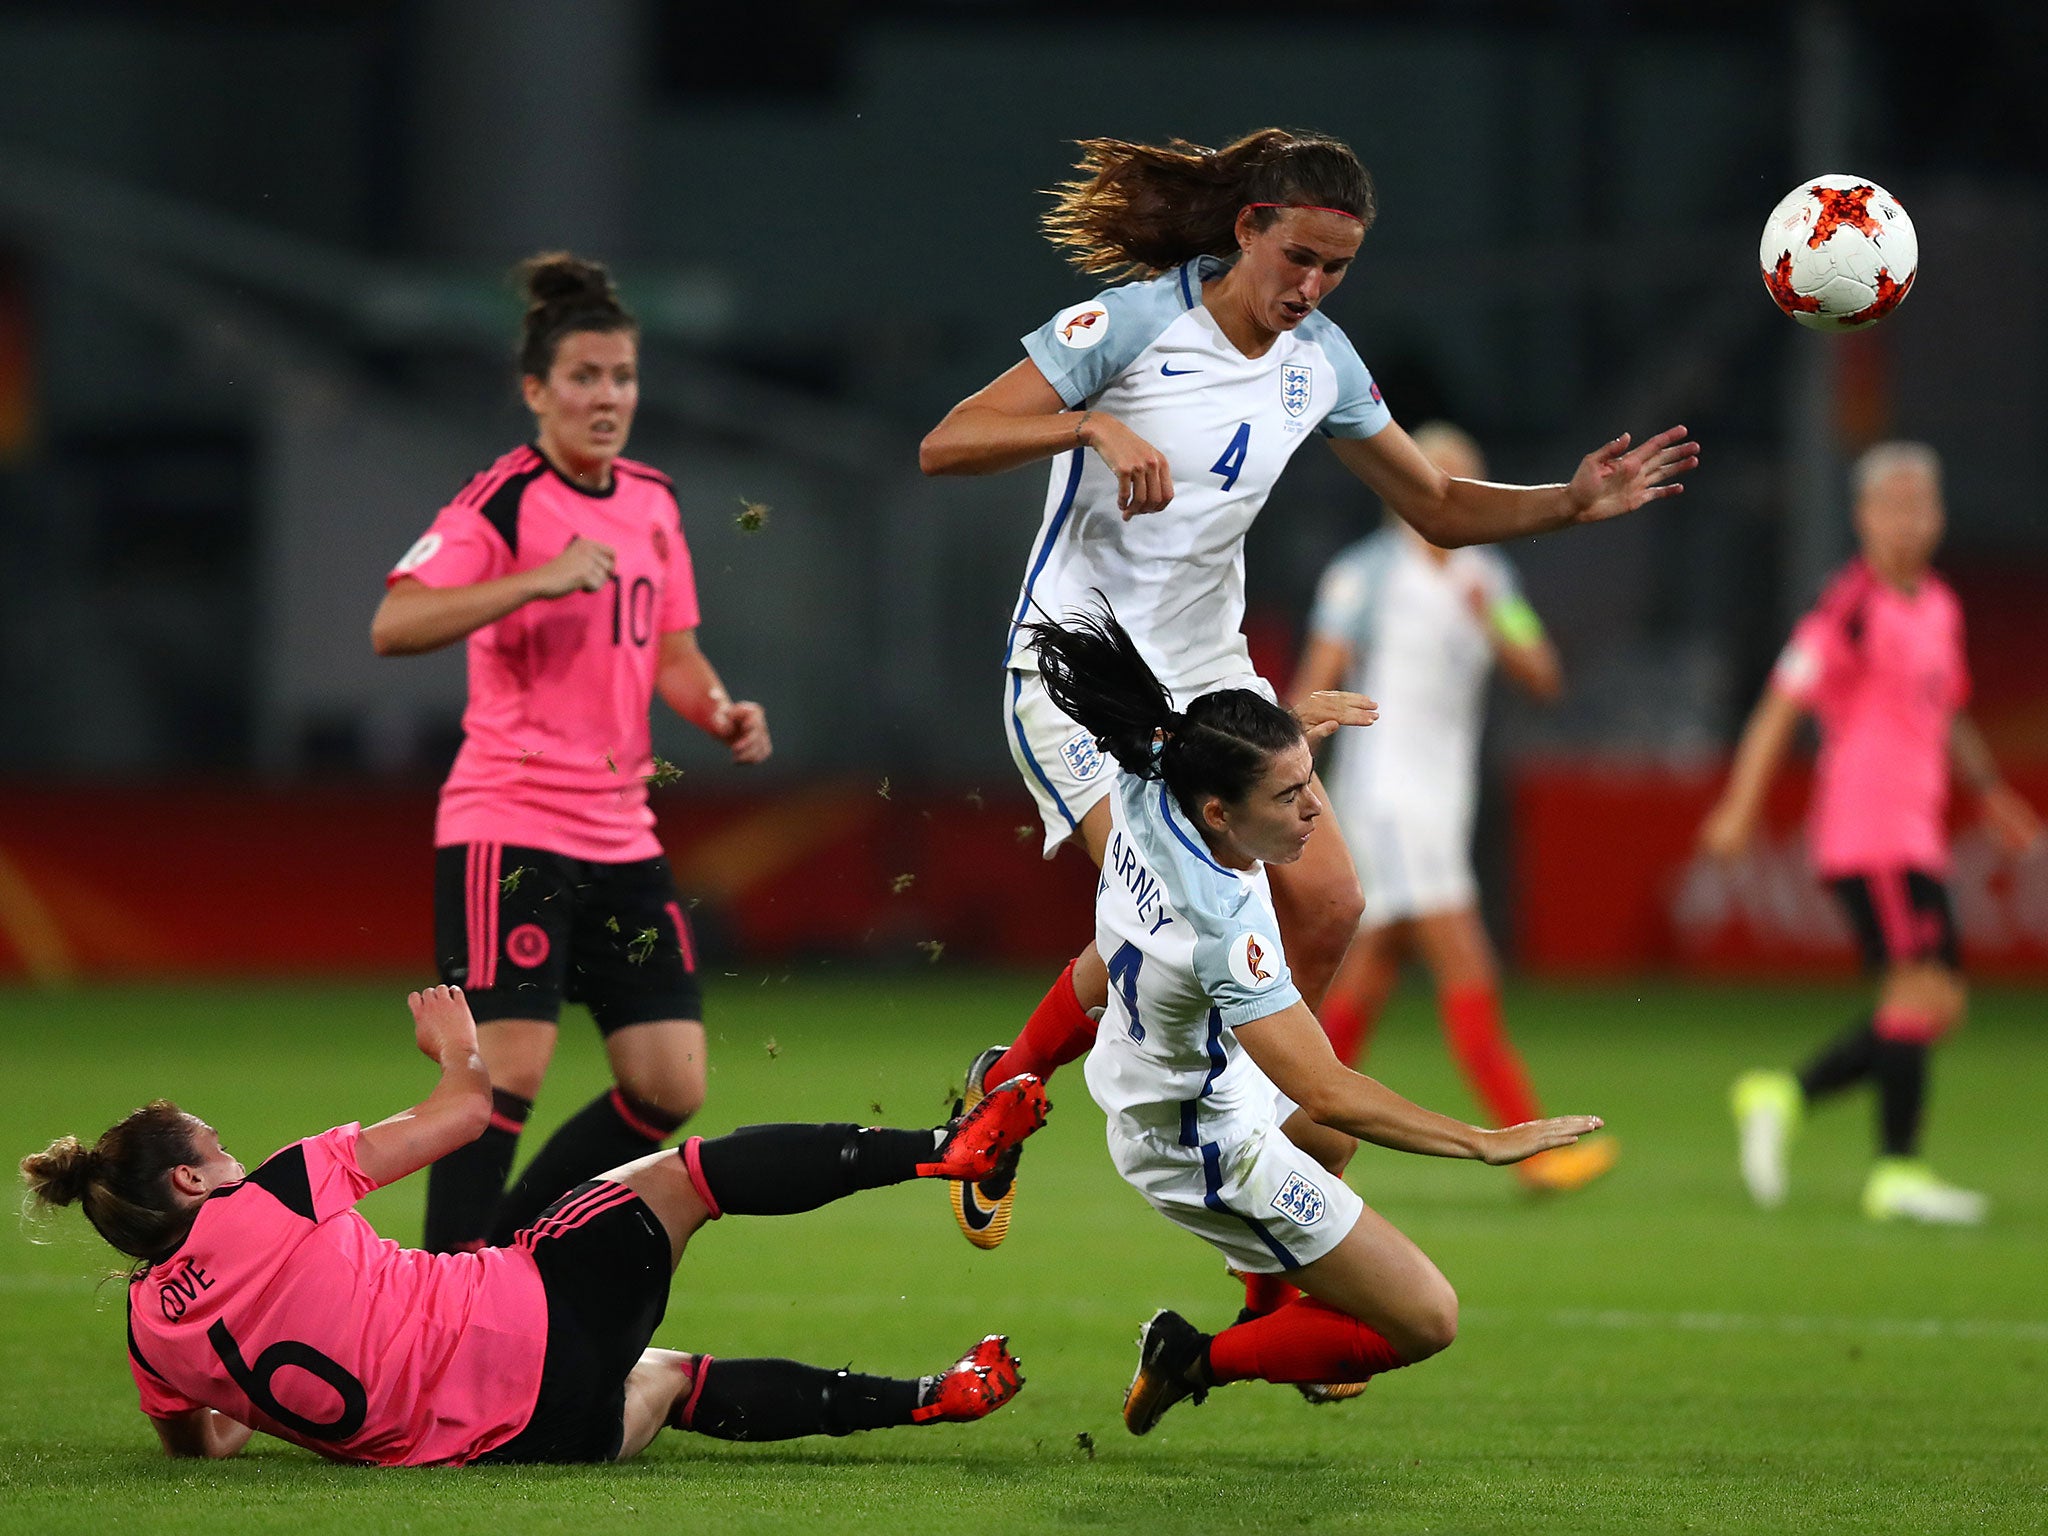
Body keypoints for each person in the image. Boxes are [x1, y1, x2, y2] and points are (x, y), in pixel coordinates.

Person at [918, 128, 1692, 1248]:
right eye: (1298, 259)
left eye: (1336, 269)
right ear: (1247, 228)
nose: (1312, 286)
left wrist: (1564, 503)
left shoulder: (1318, 359)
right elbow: (948, 443)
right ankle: (1014, 1105)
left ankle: (1220, 1114)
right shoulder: (1131, 324)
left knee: (1326, 901)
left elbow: (1433, 504)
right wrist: (1089, 420)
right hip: (1077, 675)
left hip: (1206, 673)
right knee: (1161, 905)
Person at [18, 984, 1045, 1465]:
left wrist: (251, 1406)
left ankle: (929, 1399)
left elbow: (204, 1447)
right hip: (529, 1316)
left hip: (525, 1441)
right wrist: (453, 1047)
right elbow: (467, 1114)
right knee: (687, 1176)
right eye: (219, 1146)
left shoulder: (152, 1339)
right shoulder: (272, 1197)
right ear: (193, 1185)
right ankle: (946, 1149)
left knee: (672, 1380)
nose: (238, 1156)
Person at [1011, 605, 1599, 1432]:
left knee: (1332, 1147)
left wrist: (1290, 731)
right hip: (1204, 1148)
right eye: (1291, 796)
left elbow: (1188, 759)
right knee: (1427, 1318)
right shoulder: (1224, 926)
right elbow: (1326, 1088)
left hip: (1159, 1074)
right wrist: (1483, 1142)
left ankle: (1262, 1311)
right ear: (1222, 813)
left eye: (1308, 784)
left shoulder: (1152, 781)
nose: (1314, 812)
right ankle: (1194, 1357)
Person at [371, 253, 772, 1254]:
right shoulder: (500, 503)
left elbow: (670, 651)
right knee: (504, 1069)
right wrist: (533, 581)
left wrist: (718, 711)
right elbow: (395, 623)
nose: (607, 397)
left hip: (619, 829)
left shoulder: (649, 500)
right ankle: (448, 1298)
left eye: (622, 377)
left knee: (669, 1083)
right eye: (585, 378)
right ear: (535, 391)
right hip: (509, 824)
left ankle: (507, 1250)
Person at [1700, 442, 2040, 1224]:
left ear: (1940, 515)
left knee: (1939, 1002)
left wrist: (1990, 795)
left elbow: (1948, 712)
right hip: (1868, 832)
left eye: (1922, 503)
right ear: (1862, 518)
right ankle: (1897, 1172)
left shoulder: (1939, 606)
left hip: (1918, 835)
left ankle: (1783, 1094)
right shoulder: (1848, 607)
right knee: (1916, 991)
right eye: (1894, 504)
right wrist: (1741, 806)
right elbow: (1780, 707)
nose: (1910, 519)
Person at [1289, 421, 1613, 1195]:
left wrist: (1491, 623)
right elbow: (1313, 685)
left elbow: (1543, 673)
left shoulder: (1490, 580)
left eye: (1469, 481)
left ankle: (1286, 1117)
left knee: (1370, 969)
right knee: (1465, 957)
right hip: (1388, 800)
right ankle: (1536, 1150)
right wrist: (1294, 793)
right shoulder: (1363, 576)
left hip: (1444, 800)